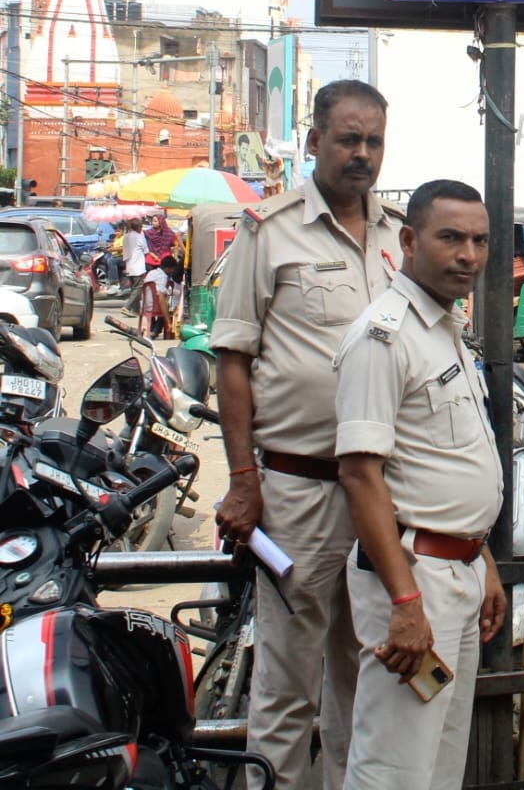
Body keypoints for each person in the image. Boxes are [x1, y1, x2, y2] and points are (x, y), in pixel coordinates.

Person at [211, 80, 405, 790]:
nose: (362, 154)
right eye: (348, 139)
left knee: (366, 676)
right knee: (287, 684)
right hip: (298, 492)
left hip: (381, 495)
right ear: (315, 140)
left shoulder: (400, 234)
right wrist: (244, 480)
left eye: (374, 141)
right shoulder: (269, 230)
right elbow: (232, 362)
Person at [334, 180, 506, 790]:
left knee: (438, 767)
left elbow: (442, 465)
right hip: (413, 580)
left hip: (455, 573)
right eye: (451, 238)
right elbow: (360, 475)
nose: (468, 255)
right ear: (408, 241)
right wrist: (405, 603)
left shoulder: (442, 328)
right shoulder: (383, 336)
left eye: (480, 241)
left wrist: (481, 557)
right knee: (394, 770)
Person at [140, 254, 183, 338]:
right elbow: (161, 297)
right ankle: (156, 330)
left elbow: (159, 289)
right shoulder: (163, 276)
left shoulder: (152, 273)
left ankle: (152, 328)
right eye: (173, 269)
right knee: (166, 307)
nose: (173, 271)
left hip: (144, 304)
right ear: (168, 268)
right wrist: (168, 321)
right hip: (154, 305)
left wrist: (177, 293)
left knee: (162, 304)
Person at [121, 217, 148, 296]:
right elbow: (146, 251)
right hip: (138, 268)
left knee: (133, 289)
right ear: (139, 227)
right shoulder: (140, 237)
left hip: (129, 267)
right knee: (137, 290)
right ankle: (129, 303)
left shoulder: (125, 237)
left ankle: (135, 304)